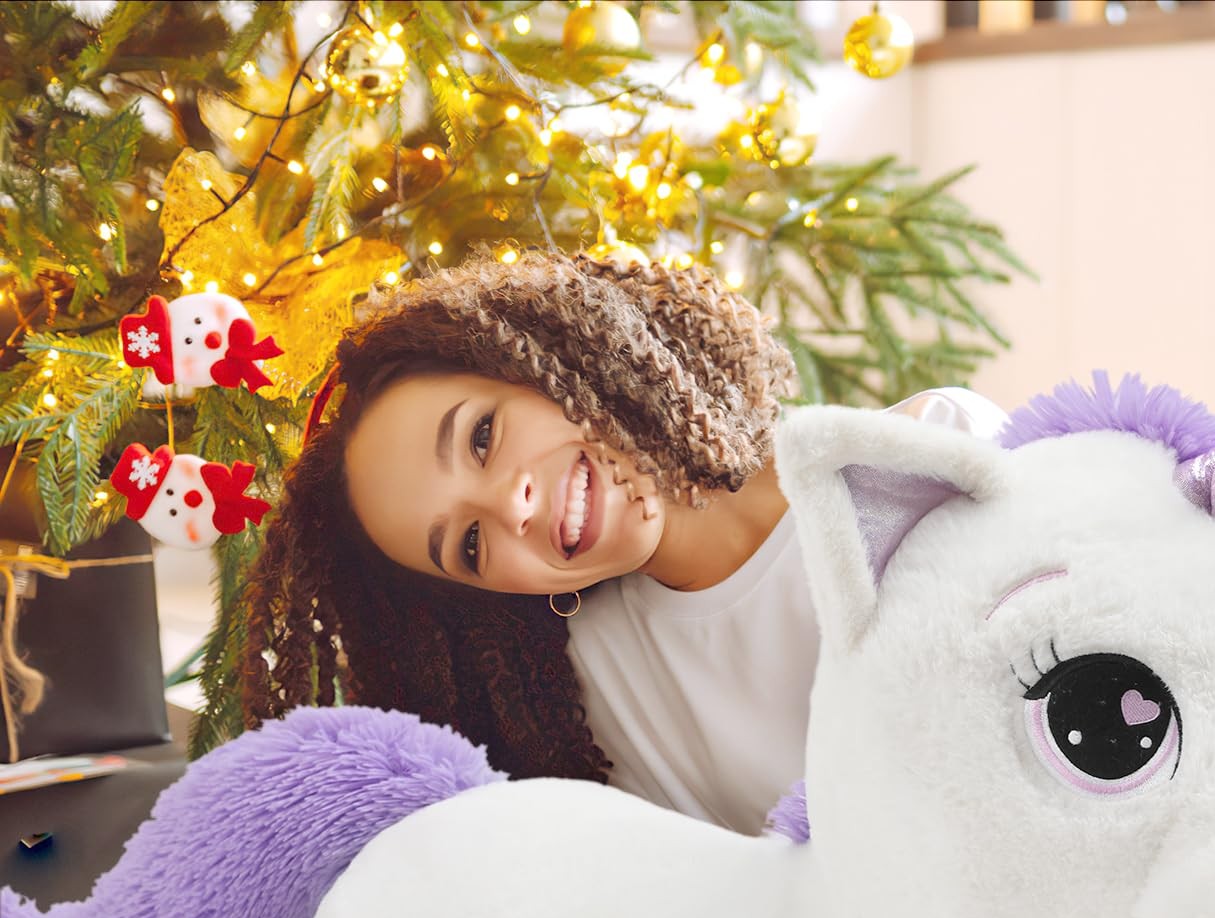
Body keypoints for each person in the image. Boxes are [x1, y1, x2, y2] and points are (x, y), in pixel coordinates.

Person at [246, 251, 1005, 834]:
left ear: (546, 357)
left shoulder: (925, 458)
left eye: (481, 437)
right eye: (469, 546)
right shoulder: (595, 709)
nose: (509, 505)